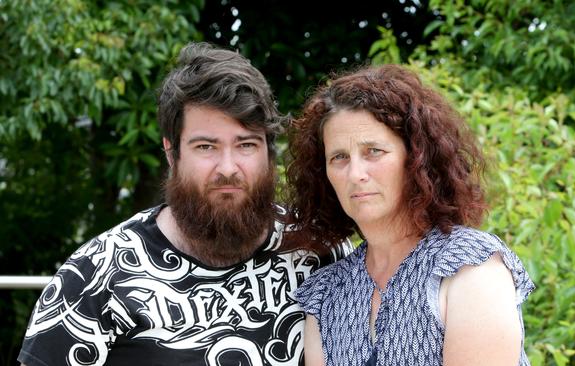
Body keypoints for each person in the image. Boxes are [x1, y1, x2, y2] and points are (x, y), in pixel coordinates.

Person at [18, 42, 348, 366]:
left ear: (268, 151)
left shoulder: (319, 251)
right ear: (171, 153)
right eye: (206, 147)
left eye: (246, 144)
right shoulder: (96, 274)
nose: (228, 167)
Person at [286, 64, 535, 365]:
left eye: (373, 152)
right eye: (339, 157)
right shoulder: (326, 295)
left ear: (415, 158)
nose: (355, 174)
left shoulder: (469, 266)